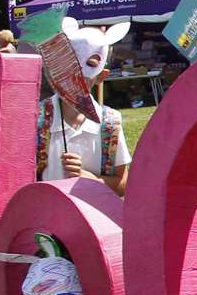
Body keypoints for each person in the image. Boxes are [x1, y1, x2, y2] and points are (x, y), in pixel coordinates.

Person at [38, 18, 130, 197]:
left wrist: (89, 179)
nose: (74, 83)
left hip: (94, 220)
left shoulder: (109, 123)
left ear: (101, 76)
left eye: (83, 77)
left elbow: (123, 183)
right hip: (48, 220)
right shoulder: (37, 119)